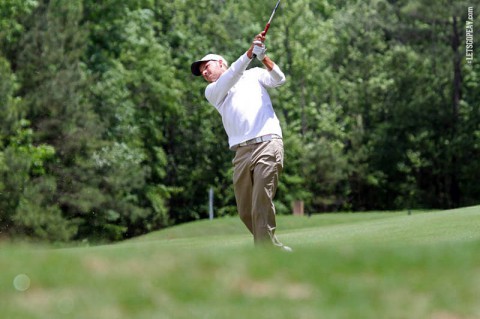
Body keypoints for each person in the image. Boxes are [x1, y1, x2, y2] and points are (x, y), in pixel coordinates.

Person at [191, 32, 292, 251]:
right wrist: (249, 53)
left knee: (260, 202)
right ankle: (272, 247)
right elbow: (233, 74)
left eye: (206, 67)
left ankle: (264, 253)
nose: (205, 73)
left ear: (220, 62)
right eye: (202, 72)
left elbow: (279, 79)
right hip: (241, 153)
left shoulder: (254, 74)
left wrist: (262, 57)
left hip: (268, 143)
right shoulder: (213, 91)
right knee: (246, 210)